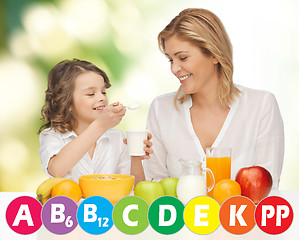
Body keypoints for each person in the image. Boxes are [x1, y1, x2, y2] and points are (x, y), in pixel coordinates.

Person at [143, 8, 284, 189]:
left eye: (183, 58)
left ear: (214, 54)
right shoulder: (161, 109)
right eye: (170, 60)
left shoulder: (261, 105)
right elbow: (155, 190)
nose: (174, 69)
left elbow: (267, 191)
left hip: (242, 218)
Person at [38, 59, 152, 184]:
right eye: (91, 94)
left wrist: (135, 157)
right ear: (67, 102)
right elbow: (56, 170)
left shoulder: (117, 138)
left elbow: (135, 188)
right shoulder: (52, 135)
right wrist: (100, 126)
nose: (102, 98)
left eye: (103, 92)